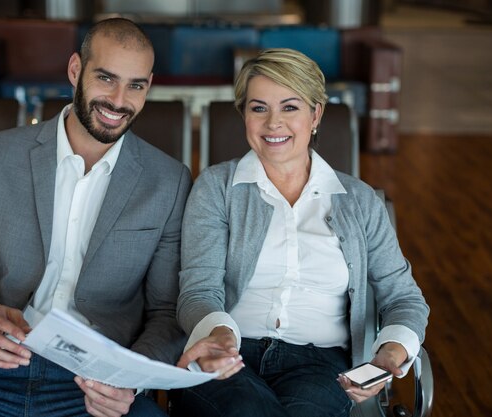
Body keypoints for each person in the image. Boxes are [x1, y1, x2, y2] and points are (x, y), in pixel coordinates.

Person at [0, 18, 191, 417]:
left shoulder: (168, 182)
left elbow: (166, 313)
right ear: (75, 70)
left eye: (135, 85)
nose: (119, 100)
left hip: (92, 386)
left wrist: (127, 379)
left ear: (148, 86)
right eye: (106, 78)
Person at [174, 48, 429, 417]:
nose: (273, 123)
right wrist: (218, 336)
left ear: (316, 114)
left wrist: (390, 354)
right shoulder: (216, 188)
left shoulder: (359, 202)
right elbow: (198, 288)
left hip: (320, 366)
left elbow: (404, 298)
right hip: (227, 351)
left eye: (290, 107)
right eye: (258, 108)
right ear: (244, 115)